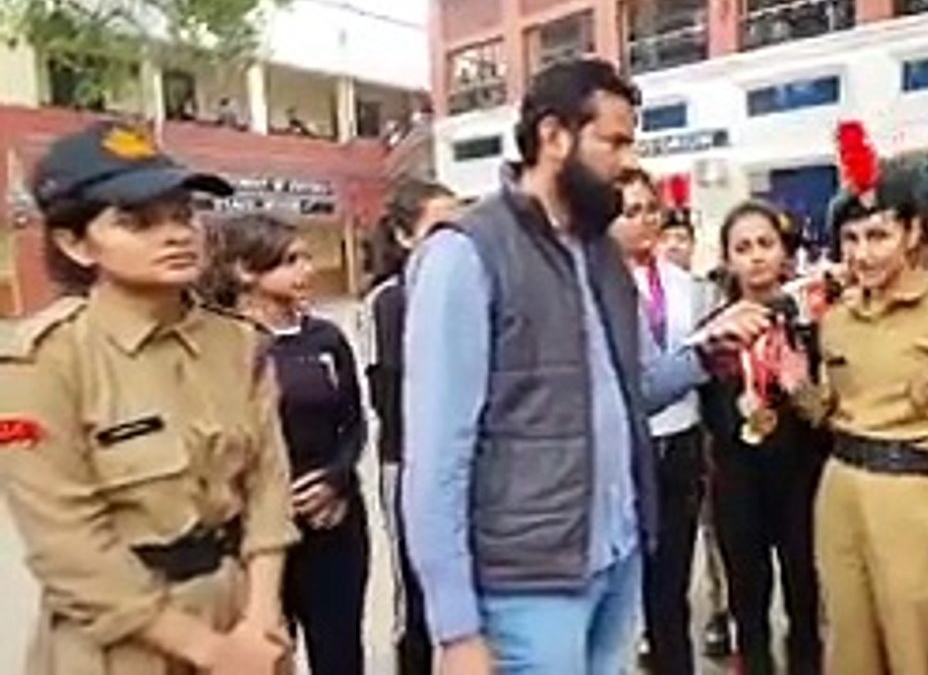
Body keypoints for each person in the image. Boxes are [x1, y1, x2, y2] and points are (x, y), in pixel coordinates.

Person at [401, 58, 772, 675]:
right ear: (553, 137)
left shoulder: (601, 251)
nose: (629, 161)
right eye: (616, 141)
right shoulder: (466, 255)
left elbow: (632, 391)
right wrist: (455, 628)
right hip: (528, 584)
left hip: (617, 559)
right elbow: (437, 457)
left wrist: (708, 354)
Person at [0, 122, 298, 674]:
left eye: (184, 215)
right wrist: (212, 653)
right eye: (137, 222)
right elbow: (68, 548)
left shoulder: (236, 342)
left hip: (244, 622)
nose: (177, 234)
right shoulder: (43, 362)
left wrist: (259, 620)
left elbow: (267, 490)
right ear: (74, 243)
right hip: (125, 641)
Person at [782, 140, 928, 674]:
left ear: (913, 233)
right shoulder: (839, 317)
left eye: (878, 235)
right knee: (849, 650)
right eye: (850, 239)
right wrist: (798, 388)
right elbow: (831, 412)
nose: (862, 253)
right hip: (841, 495)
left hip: (916, 503)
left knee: (917, 651)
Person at [201, 213, 370, 675]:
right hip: (253, 536)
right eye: (290, 260)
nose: (307, 270)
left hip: (333, 526)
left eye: (306, 258)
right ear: (245, 271)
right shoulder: (215, 347)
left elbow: (353, 423)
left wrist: (337, 480)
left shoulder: (326, 339)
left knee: (340, 656)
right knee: (268, 655)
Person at [701, 200, 828, 675]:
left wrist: (801, 387)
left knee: (804, 601)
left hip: (801, 481)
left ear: (783, 253)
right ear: (727, 260)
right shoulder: (712, 335)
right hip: (737, 485)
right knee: (748, 608)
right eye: (743, 247)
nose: (756, 257)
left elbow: (828, 417)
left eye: (765, 245)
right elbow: (706, 415)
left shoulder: (813, 329)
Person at [609, 168, 712, 675]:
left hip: (683, 442)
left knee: (671, 587)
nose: (644, 221)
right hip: (630, 447)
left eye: (651, 209)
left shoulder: (685, 284)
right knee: (628, 587)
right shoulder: (600, 287)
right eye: (630, 212)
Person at [363, 177, 463, 675]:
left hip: (468, 462)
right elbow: (390, 398)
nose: (454, 243)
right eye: (439, 229)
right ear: (404, 237)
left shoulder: (474, 286)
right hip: (409, 463)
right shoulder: (389, 302)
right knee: (419, 595)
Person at [655, 205, 735, 658]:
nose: (674, 245)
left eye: (681, 236)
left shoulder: (703, 294)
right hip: (649, 435)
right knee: (662, 561)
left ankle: (720, 611)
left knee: (712, 531)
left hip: (698, 429)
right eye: (668, 235)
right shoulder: (621, 287)